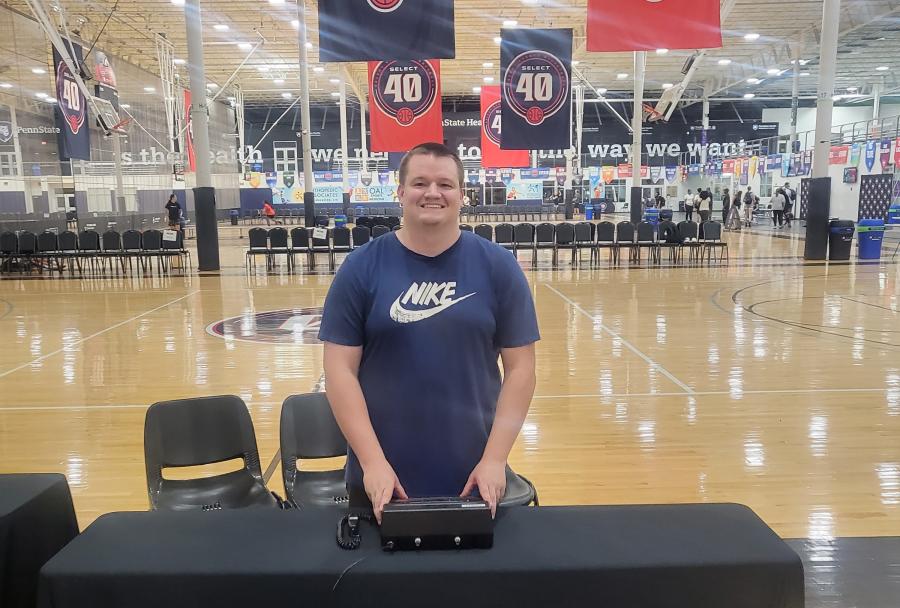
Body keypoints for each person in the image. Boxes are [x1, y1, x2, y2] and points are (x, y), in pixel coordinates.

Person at [318, 142, 540, 522]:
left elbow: (522, 370)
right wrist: (372, 462)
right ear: (401, 192)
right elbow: (339, 370)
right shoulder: (360, 267)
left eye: (445, 184)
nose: (432, 193)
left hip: (473, 476)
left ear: (462, 194)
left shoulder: (499, 267)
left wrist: (495, 459)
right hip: (381, 479)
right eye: (420, 183)